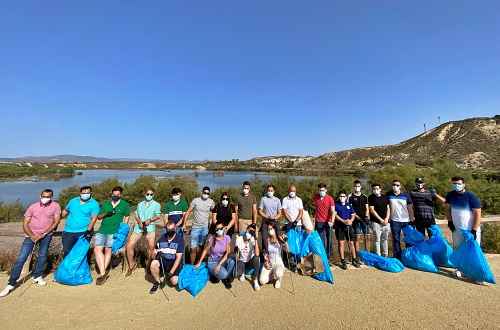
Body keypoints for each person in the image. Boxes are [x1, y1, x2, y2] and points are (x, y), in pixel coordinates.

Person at [0, 189, 61, 297]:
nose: (46, 198)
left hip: (46, 236)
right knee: (21, 259)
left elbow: (56, 221)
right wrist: (32, 235)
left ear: (52, 196)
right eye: (44, 196)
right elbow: (25, 223)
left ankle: (37, 277)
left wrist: (44, 233)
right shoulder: (32, 207)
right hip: (30, 236)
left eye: (49, 196)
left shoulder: (55, 206)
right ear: (40, 196)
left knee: (42, 256)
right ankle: (11, 284)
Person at [444, 176, 482, 282]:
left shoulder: (471, 197)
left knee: (474, 252)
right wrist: (450, 222)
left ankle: (478, 275)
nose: (456, 185)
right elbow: (447, 209)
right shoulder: (450, 195)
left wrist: (474, 230)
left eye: (459, 183)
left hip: (470, 230)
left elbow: (478, 215)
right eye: (454, 183)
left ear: (464, 184)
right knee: (460, 250)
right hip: (457, 229)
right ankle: (461, 270)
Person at [94, 186, 130, 284]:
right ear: (111, 194)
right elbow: (99, 217)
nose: (115, 196)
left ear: (120, 195)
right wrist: (106, 214)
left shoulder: (124, 205)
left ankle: (102, 273)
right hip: (102, 230)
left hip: (114, 231)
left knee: (107, 250)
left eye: (117, 195)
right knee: (97, 249)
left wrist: (124, 227)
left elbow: (127, 215)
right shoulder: (105, 204)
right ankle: (103, 271)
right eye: (114, 195)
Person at [125, 188, 161, 277]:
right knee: (129, 246)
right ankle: (131, 265)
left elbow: (158, 215)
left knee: (151, 247)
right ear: (144, 194)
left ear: (153, 195)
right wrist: (139, 221)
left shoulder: (156, 204)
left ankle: (148, 265)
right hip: (139, 227)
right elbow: (136, 215)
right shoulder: (140, 204)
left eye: (151, 194)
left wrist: (150, 220)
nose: (149, 196)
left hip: (150, 227)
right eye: (147, 194)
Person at [61, 186, 100, 258]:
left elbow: (94, 218)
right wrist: (57, 221)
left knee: (80, 253)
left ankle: (79, 268)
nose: (85, 194)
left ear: (90, 193)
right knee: (67, 252)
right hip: (68, 231)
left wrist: (88, 231)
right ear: (80, 193)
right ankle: (67, 268)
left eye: (87, 193)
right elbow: (65, 211)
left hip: (83, 231)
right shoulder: (73, 201)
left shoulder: (94, 204)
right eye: (83, 193)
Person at [195, 221, 235, 289]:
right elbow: (205, 250)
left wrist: (219, 264)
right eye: (217, 229)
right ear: (215, 230)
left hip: (222, 259)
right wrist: (199, 262)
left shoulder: (227, 238)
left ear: (224, 228)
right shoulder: (212, 238)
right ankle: (214, 274)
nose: (219, 230)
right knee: (224, 274)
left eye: (221, 228)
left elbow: (228, 252)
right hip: (213, 261)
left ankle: (226, 278)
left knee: (232, 261)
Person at [149, 221, 184, 294]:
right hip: (164, 261)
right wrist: (155, 255)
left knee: (174, 282)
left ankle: (173, 275)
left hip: (175, 263)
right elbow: (153, 254)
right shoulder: (161, 239)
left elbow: (178, 258)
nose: (170, 231)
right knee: (153, 263)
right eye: (168, 230)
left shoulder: (180, 240)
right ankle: (158, 282)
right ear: (166, 229)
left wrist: (171, 273)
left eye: (172, 230)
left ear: (175, 229)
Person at [183, 186, 215, 264]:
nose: (206, 194)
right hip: (195, 227)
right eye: (205, 193)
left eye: (208, 193)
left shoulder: (211, 202)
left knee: (201, 247)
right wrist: (184, 223)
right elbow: (188, 211)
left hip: (205, 228)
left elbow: (215, 212)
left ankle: (199, 263)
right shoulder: (195, 200)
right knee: (192, 249)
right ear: (201, 192)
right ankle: (192, 265)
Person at [386, 180, 414, 261]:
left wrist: (412, 219)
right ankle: (398, 257)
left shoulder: (406, 195)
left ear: (400, 186)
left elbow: (410, 208)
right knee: (396, 239)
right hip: (394, 220)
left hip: (406, 220)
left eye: (397, 185)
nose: (395, 186)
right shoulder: (388, 195)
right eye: (393, 184)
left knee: (408, 239)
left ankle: (408, 256)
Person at [309, 183, 335, 265]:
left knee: (329, 240)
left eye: (323, 190)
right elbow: (309, 202)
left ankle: (328, 257)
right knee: (321, 241)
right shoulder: (315, 197)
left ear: (326, 190)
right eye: (320, 190)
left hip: (328, 222)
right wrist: (307, 207)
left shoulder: (330, 199)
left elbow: (333, 211)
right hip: (319, 222)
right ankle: (323, 258)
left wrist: (332, 221)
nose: (321, 192)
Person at [259, 221, 289, 289]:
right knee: (262, 281)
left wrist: (285, 242)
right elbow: (266, 252)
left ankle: (278, 279)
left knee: (278, 274)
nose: (270, 231)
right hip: (270, 261)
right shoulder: (268, 239)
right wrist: (265, 259)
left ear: (275, 229)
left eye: (271, 229)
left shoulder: (280, 238)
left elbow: (288, 250)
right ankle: (271, 274)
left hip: (278, 261)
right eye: (268, 229)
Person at [334, 191, 360, 269]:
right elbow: (335, 215)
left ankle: (354, 259)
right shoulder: (336, 204)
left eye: (343, 196)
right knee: (341, 243)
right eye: (340, 196)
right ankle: (342, 260)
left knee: (351, 243)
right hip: (339, 226)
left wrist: (350, 221)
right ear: (339, 197)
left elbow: (353, 215)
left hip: (348, 227)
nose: (342, 198)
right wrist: (343, 221)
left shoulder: (349, 205)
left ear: (346, 197)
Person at [282, 185, 303, 271]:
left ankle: (298, 261)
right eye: (291, 190)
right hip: (288, 223)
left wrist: (296, 221)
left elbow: (301, 211)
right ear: (288, 190)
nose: (292, 192)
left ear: (296, 191)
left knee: (297, 242)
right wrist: (290, 221)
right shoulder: (285, 199)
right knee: (289, 243)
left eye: (293, 190)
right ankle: (292, 262)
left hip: (297, 224)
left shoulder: (299, 200)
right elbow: (284, 211)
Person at [235, 224, 260, 291]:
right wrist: (237, 252)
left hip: (250, 261)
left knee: (257, 258)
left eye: (252, 232)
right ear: (246, 230)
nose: (250, 233)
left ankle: (255, 280)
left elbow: (257, 254)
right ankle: (242, 272)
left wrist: (255, 240)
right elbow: (236, 257)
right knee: (236, 274)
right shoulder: (239, 239)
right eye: (250, 231)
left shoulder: (252, 239)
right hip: (242, 260)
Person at [348, 180, 371, 255]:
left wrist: (366, 217)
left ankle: (368, 254)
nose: (357, 188)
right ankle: (357, 254)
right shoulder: (350, 196)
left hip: (364, 219)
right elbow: (350, 209)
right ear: (353, 186)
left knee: (367, 237)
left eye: (358, 186)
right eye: (355, 186)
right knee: (357, 237)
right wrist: (357, 217)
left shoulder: (364, 197)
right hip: (356, 220)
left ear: (361, 187)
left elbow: (367, 208)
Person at [368, 183, 390, 257]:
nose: (376, 190)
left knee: (385, 239)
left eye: (377, 189)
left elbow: (388, 208)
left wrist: (386, 218)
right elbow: (371, 210)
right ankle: (378, 255)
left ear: (380, 189)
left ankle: (386, 255)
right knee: (377, 239)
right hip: (376, 222)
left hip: (386, 222)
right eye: (374, 189)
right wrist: (380, 220)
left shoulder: (385, 197)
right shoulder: (371, 197)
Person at [258, 185, 283, 251]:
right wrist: (267, 216)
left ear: (274, 191)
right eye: (269, 190)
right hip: (265, 221)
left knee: (278, 236)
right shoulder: (263, 199)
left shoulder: (277, 200)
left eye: (271, 191)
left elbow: (280, 213)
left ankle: (279, 252)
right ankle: (265, 253)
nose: (270, 192)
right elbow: (260, 211)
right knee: (264, 237)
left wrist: (274, 217)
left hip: (274, 221)